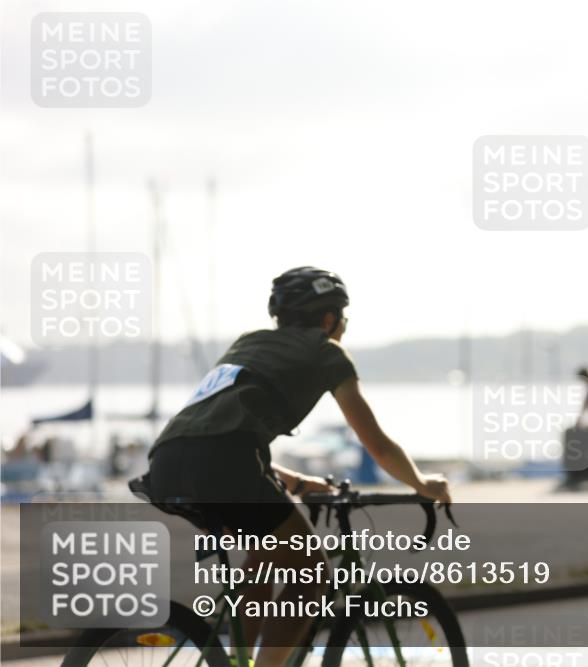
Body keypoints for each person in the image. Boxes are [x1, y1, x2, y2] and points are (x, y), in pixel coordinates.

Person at [146, 266, 451, 666]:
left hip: (166, 462)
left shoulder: (250, 342)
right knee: (313, 576)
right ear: (329, 319)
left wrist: (294, 481)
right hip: (225, 463)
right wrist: (424, 483)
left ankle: (238, 662)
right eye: (343, 316)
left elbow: (217, 431)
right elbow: (376, 444)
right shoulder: (327, 352)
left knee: (264, 556)